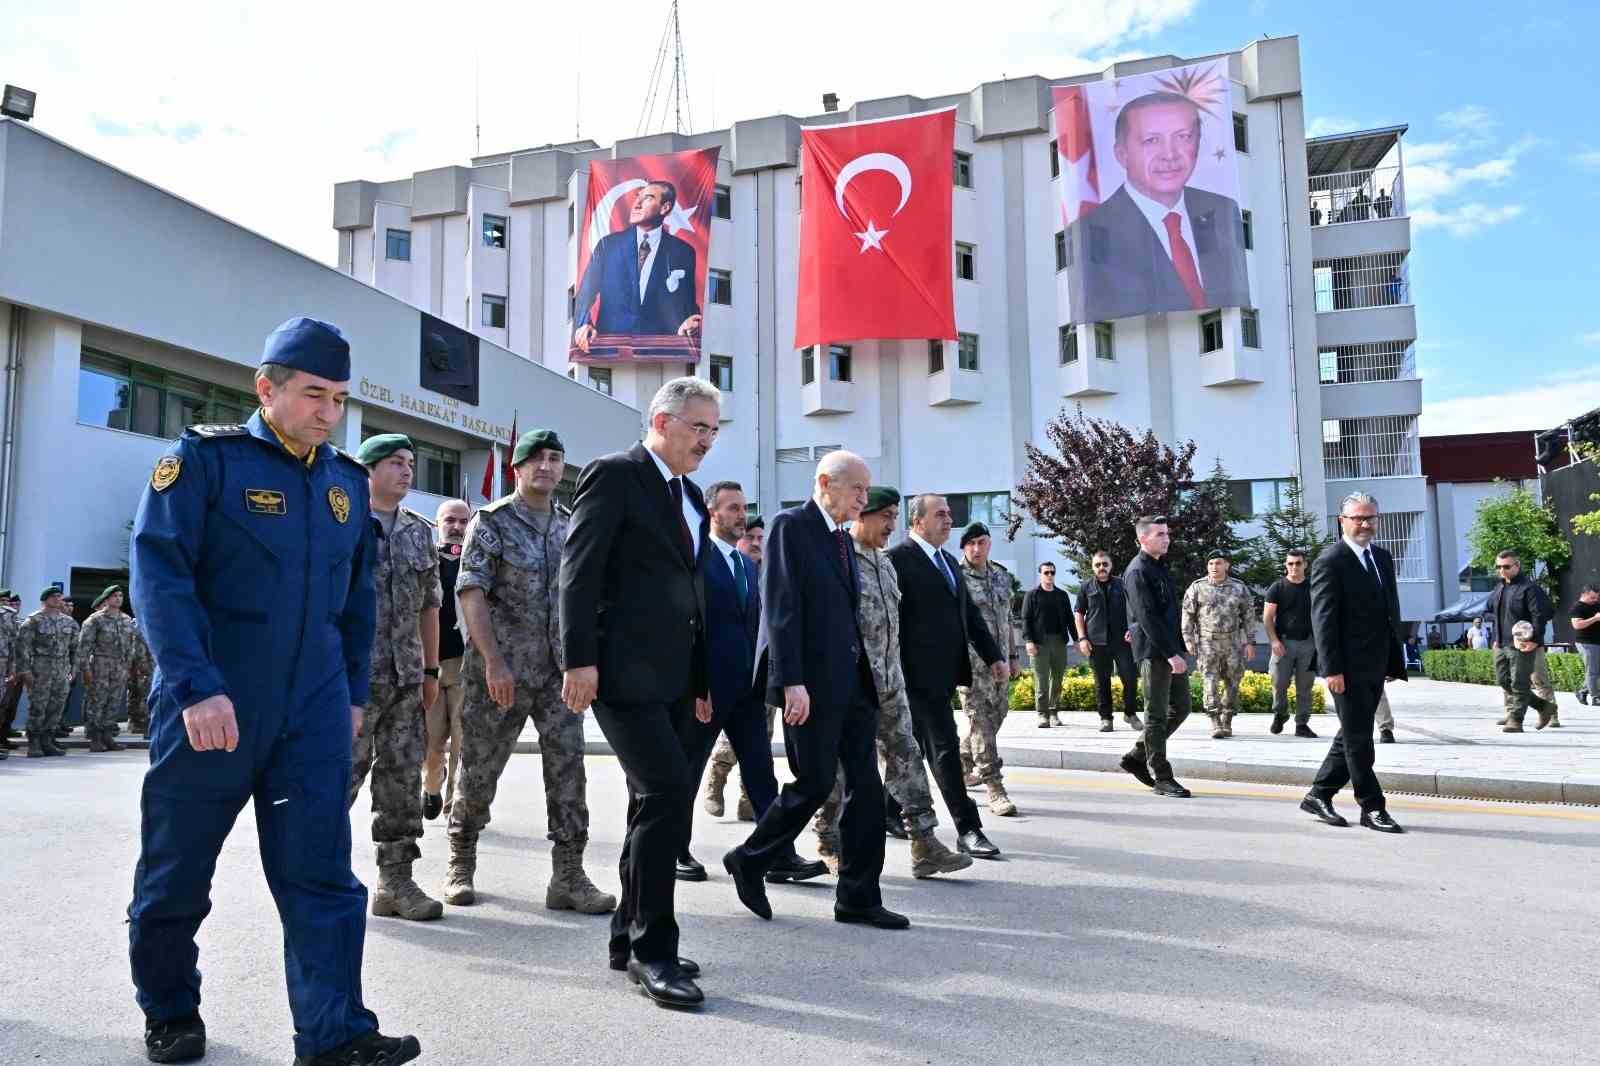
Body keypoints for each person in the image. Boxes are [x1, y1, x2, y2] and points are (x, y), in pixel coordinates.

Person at [127, 316, 419, 1065]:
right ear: (268, 389)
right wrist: (195, 687)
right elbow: (159, 578)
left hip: (314, 712)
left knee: (322, 876)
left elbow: (357, 607)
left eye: (340, 398)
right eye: (314, 394)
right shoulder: (206, 463)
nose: (329, 412)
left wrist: (352, 696)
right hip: (214, 706)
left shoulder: (347, 484)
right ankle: (170, 1009)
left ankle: (334, 1034)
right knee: (177, 873)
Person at [560, 377, 719, 1009]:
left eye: (713, 430)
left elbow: (695, 594)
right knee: (667, 795)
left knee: (650, 806)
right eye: (696, 427)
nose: (705, 441)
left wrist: (703, 679)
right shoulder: (615, 475)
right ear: (661, 421)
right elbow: (580, 570)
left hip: (677, 678)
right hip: (621, 673)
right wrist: (579, 660)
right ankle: (654, 952)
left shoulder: (692, 495)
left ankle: (628, 934)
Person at [723, 452, 908, 932]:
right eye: (857, 491)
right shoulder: (792, 526)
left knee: (866, 791)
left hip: (852, 686)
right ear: (826, 483)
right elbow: (781, 607)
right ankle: (749, 858)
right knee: (814, 783)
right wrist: (790, 682)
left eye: (867, 493)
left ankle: (859, 898)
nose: (863, 501)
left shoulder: (842, 541)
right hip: (811, 686)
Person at [448, 429, 615, 916]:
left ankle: (568, 875)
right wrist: (495, 662)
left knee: (568, 772)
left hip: (558, 675)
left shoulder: (569, 525)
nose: (546, 466)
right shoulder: (493, 522)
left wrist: (585, 662)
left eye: (555, 459)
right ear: (517, 469)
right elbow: (471, 592)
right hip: (501, 673)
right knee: (479, 771)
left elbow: (585, 597)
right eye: (535, 459)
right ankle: (461, 859)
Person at [812, 487, 971, 879]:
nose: (891, 525)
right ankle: (827, 839)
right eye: (884, 516)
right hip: (851, 686)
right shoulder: (837, 559)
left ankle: (925, 843)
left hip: (890, 684)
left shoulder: (885, 564)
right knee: (840, 770)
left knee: (908, 759)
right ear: (861, 516)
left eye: (895, 517)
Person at [681, 480, 821, 885]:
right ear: (712, 513)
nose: (741, 516)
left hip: (746, 690)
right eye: (732, 508)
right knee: (686, 774)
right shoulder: (697, 559)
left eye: (743, 508)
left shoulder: (747, 565)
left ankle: (777, 854)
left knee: (761, 773)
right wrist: (697, 684)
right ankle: (675, 850)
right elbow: (690, 627)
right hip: (706, 691)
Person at [347, 434, 444, 922]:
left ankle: (397, 882)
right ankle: (315, 879)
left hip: (407, 677)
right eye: (394, 463)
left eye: (410, 463)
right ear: (368, 470)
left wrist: (429, 668)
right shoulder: (342, 522)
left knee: (403, 781)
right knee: (337, 779)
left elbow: (430, 604)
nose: (406, 471)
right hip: (352, 681)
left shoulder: (419, 532)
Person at [888, 494, 1008, 859]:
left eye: (949, 514)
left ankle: (888, 809)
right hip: (911, 678)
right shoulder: (898, 560)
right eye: (940, 514)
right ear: (917, 520)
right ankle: (968, 828)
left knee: (916, 750)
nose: (948, 520)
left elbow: (969, 615)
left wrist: (993, 657)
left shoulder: (946, 563)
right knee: (944, 750)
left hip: (941, 676)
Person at [1072, 91, 1251, 322]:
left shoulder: (1222, 209)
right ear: (1121, 154)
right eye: (1152, 140)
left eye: (1184, 137)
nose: (1169, 155)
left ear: (1198, 143)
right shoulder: (1093, 230)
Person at [1298, 492, 1407, 834]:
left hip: (1375, 663)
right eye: (1357, 518)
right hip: (1345, 666)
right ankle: (1372, 806)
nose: (1364, 524)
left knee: (1352, 733)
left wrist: (1392, 659)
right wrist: (1332, 669)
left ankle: (1319, 793)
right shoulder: (1330, 561)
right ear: (1342, 521)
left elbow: (1389, 613)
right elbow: (1323, 620)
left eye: (1370, 518)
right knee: (1360, 737)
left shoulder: (1383, 558)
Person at [571, 181, 702, 352]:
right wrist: (583, 325)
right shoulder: (608, 246)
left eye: (647, 198)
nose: (636, 204)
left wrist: (690, 322)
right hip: (611, 351)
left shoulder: (683, 252)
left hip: (661, 353)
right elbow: (584, 296)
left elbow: (689, 307)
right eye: (637, 197)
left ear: (665, 208)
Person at [1118, 516, 1193, 798]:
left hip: (1169, 648)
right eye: (1160, 534)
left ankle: (1137, 754)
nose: (1167, 538)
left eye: (1167, 533)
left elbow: (1150, 613)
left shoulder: (1159, 567)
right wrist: (1171, 653)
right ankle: (1162, 776)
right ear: (1143, 539)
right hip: (1155, 652)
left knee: (1181, 707)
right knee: (1156, 715)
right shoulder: (1137, 571)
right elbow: (1147, 616)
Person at [956, 522, 1019, 815]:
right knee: (981, 722)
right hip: (970, 665)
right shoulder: (955, 577)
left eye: (981, 542)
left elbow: (1008, 621)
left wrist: (1012, 655)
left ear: (989, 543)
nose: (977, 549)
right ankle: (995, 788)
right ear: (964, 547)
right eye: (971, 544)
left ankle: (960, 763)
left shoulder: (1002, 577)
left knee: (998, 714)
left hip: (1000, 663)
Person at [421, 497, 471, 820]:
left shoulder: (477, 561)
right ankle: (432, 788)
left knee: (464, 742)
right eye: (450, 521)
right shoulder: (425, 561)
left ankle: (457, 806)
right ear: (438, 524)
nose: (456, 527)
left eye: (463, 522)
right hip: (432, 665)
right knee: (434, 741)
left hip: (467, 665)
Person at [1183, 551, 1255, 739]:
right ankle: (1214, 719)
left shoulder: (1239, 588)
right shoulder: (1197, 588)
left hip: (1232, 642)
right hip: (1207, 642)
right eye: (1211, 563)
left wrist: (1249, 642)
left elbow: (1248, 615)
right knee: (1210, 680)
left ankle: (1227, 717)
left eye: (1218, 563)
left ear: (1227, 566)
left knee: (1233, 681)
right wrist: (1188, 639)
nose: (1214, 567)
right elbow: (1188, 614)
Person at [1484, 551, 1557, 732]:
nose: (1502, 570)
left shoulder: (1530, 588)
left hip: (1523, 644)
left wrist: (1534, 639)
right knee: (1504, 681)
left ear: (1517, 566)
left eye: (1506, 566)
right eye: (1499, 567)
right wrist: (1497, 626)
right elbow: (1486, 611)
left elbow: (1541, 615)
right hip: (1501, 643)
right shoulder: (1499, 589)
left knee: (1520, 683)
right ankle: (1544, 706)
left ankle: (1516, 721)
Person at [1074, 552, 1142, 734]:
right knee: (1101, 681)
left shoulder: (1123, 585)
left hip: (1123, 641)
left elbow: (1135, 608)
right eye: (1097, 565)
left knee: (1130, 678)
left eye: (1105, 564)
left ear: (1111, 565)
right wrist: (1082, 638)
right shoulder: (1086, 587)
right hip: (1096, 642)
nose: (1101, 567)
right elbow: (1079, 613)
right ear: (1092, 567)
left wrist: (1133, 629)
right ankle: (1105, 718)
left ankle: (1130, 713)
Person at [74, 585, 138, 752]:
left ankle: (107, 736)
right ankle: (95, 738)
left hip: (119, 666)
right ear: (106, 599)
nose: (118, 599)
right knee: (97, 701)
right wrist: (86, 670)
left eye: (120, 596)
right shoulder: (94, 620)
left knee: (114, 701)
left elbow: (130, 645)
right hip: (100, 665)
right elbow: (83, 648)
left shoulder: (125, 619)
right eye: (114, 596)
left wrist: (128, 665)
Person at [1264, 550, 1319, 739]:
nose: (1294, 567)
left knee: (1305, 687)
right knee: (1279, 684)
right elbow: (1268, 617)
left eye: (1297, 563)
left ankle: (1302, 724)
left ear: (1305, 565)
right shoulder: (1277, 587)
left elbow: (1322, 614)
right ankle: (1280, 714)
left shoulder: (1314, 587)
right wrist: (1274, 641)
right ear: (1285, 565)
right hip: (1283, 644)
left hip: (1309, 644)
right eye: (1290, 563)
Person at [16, 588, 76, 758]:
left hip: (62, 670)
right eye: (53, 597)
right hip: (40, 670)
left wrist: (74, 670)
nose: (58, 599)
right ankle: (34, 742)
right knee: (38, 706)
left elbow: (74, 649)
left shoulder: (68, 622)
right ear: (45, 600)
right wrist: (26, 672)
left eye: (59, 596)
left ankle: (47, 740)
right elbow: (22, 649)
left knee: (57, 706)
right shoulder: (33, 621)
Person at [1022, 560, 1075, 728]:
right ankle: (1042, 714)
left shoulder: (1062, 595)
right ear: (1041, 574)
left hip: (1059, 641)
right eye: (1046, 572)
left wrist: (1079, 639)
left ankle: (1054, 713)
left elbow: (1069, 619)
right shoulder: (1032, 595)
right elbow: (1026, 619)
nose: (1050, 575)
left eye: (1052, 572)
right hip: (1039, 643)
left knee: (1057, 679)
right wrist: (1029, 640)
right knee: (1042, 679)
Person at [1571, 584, 1600, 705]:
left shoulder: (1596, 605)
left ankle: (1582, 691)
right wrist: (1595, 618)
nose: (1595, 600)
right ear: (1584, 594)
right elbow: (1577, 625)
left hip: (1597, 641)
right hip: (1586, 642)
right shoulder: (1577, 607)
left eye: (1597, 597)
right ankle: (1595, 697)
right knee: (1592, 671)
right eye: (1592, 597)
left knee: (1595, 670)